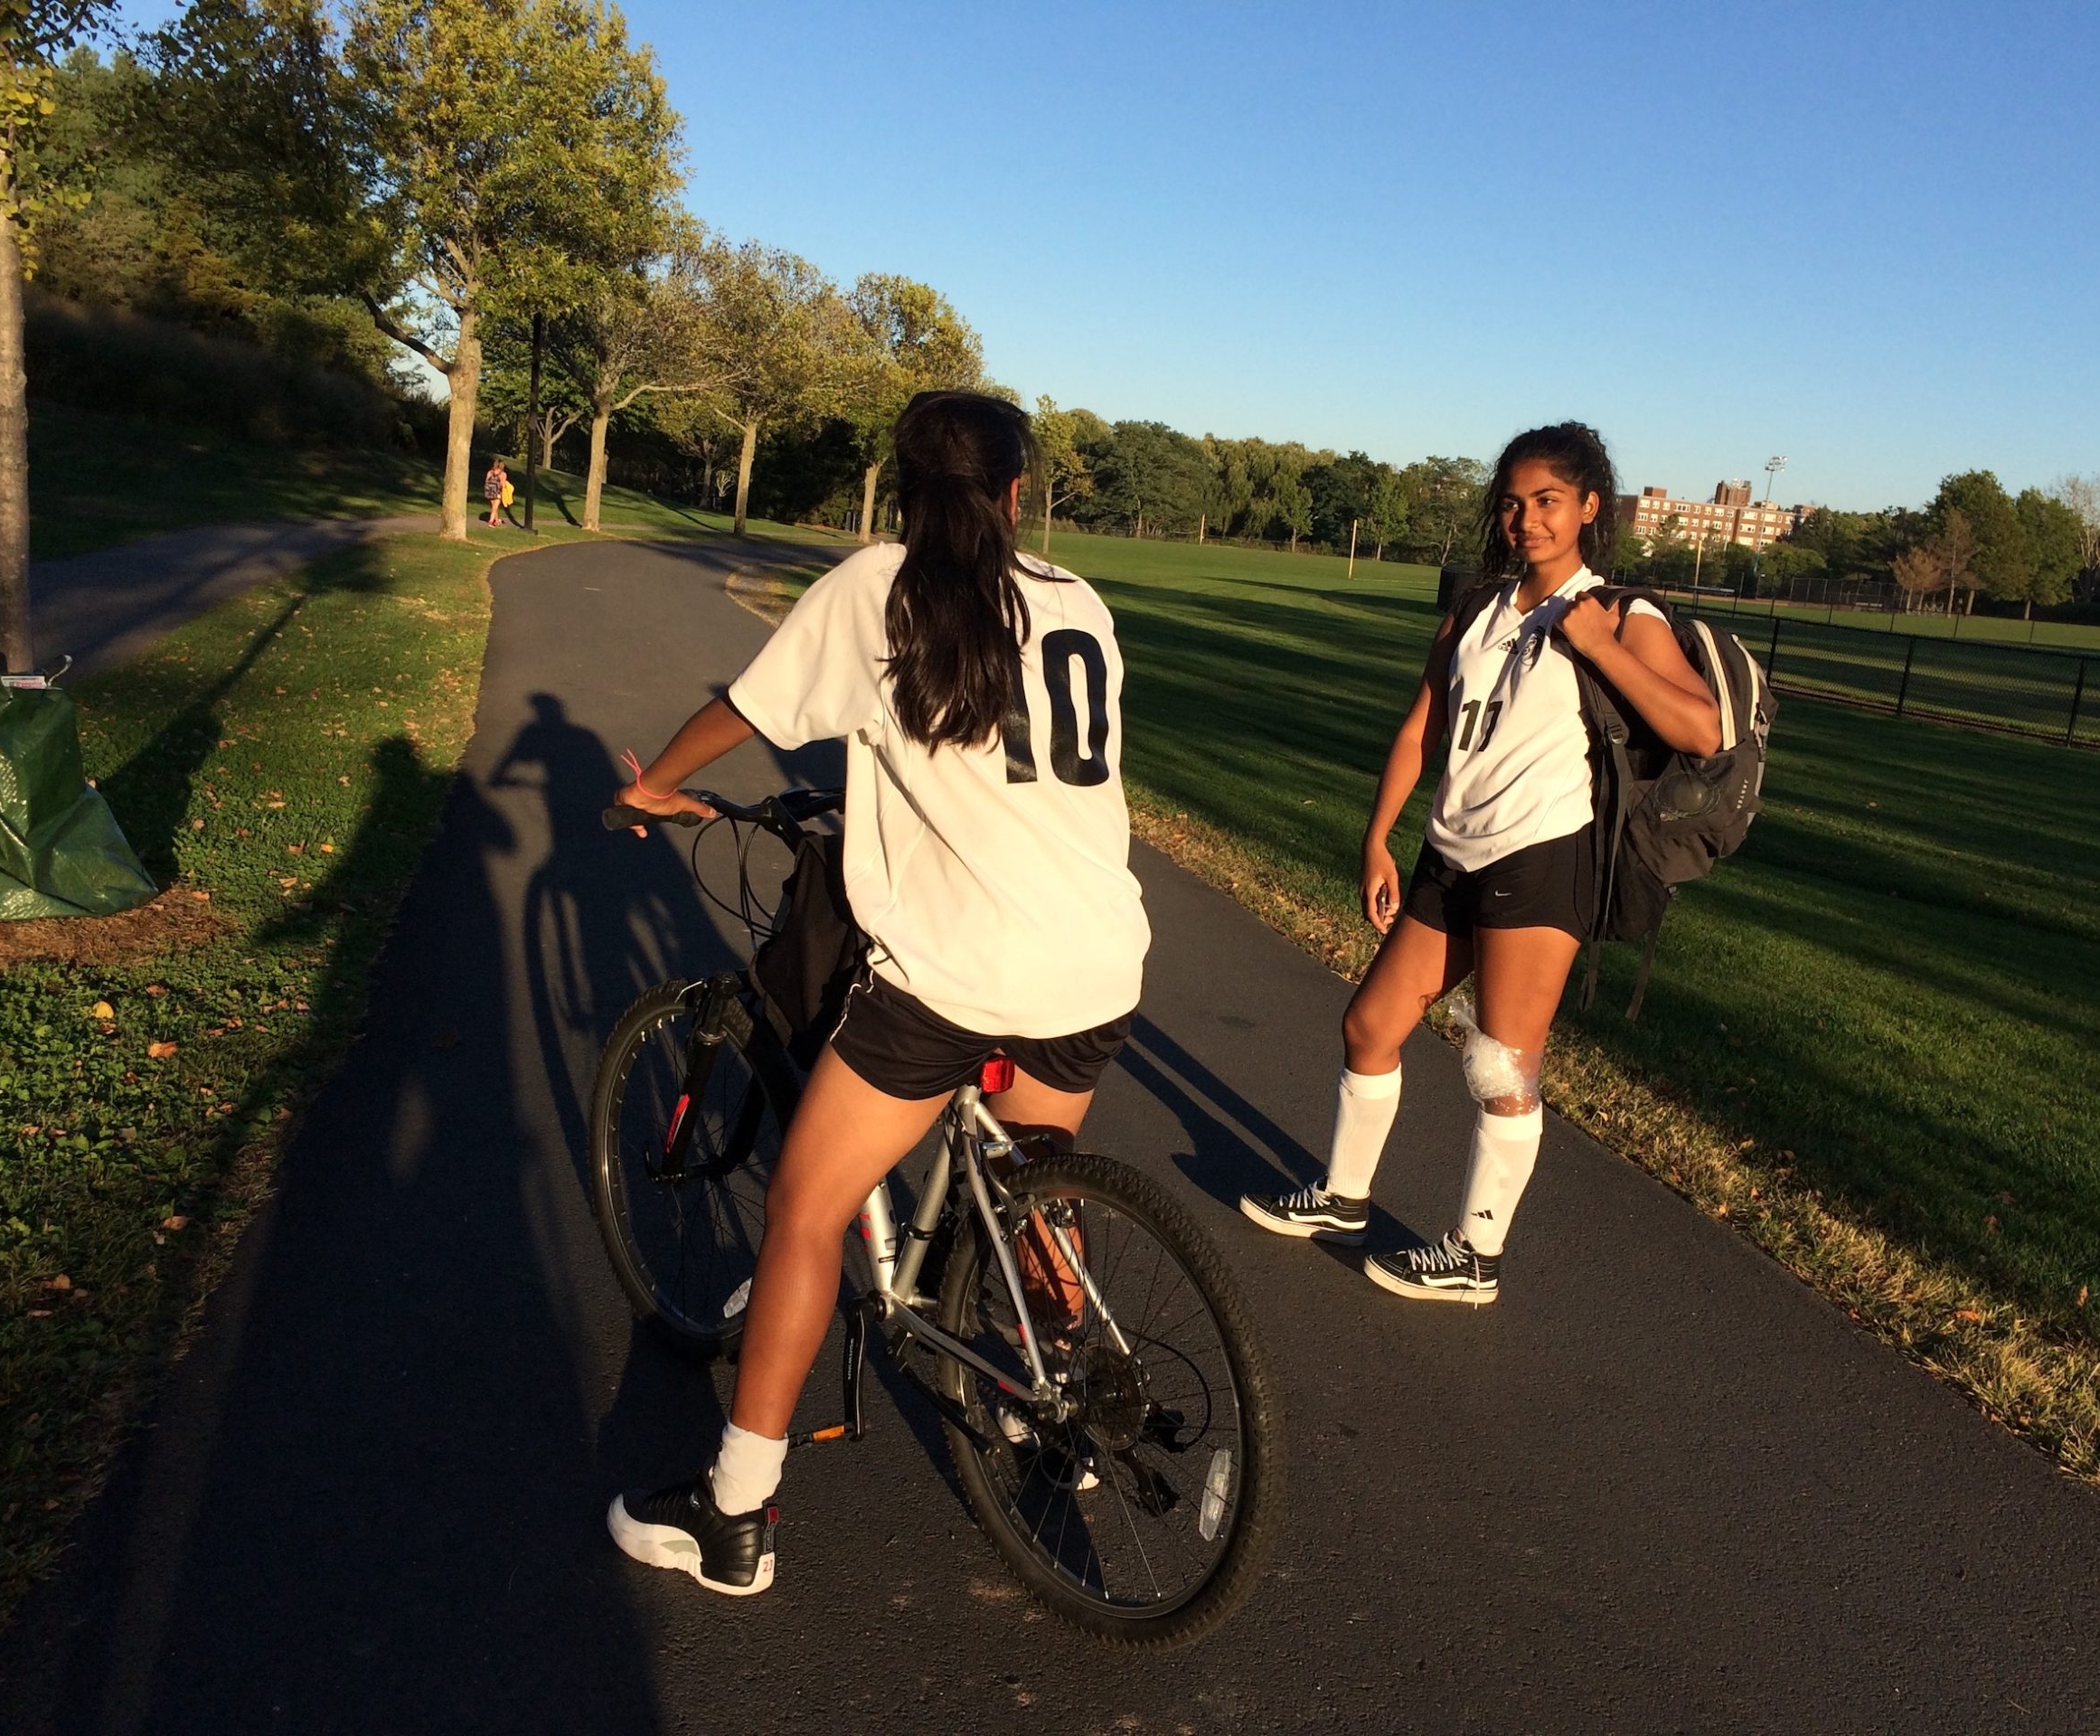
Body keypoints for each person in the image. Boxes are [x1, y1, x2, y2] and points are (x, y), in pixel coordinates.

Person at [603, 391, 1151, 1596]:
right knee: (1030, 1189)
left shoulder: (879, 588)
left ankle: (734, 1513)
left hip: (961, 973)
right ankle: (1052, 1403)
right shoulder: (1081, 601)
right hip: (1099, 957)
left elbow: (746, 710)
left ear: (904, 486)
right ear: (1018, 491)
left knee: (805, 1209)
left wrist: (653, 790)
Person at [1239, 422, 1719, 1304]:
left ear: (1585, 508)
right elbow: (1421, 725)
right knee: (1370, 1025)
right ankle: (1343, 1198)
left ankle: (1474, 1257)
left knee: (1499, 1066)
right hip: (1449, 849)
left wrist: (1602, 646)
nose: (1525, 519)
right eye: (1510, 502)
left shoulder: (1620, 612)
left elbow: (1698, 728)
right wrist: (1379, 834)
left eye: (1545, 501)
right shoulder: (1475, 608)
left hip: (1543, 857)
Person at [483, 456, 508, 527]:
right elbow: (502, 485)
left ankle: (497, 521)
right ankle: (490, 522)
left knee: (494, 507)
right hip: (497, 492)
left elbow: (486, 481)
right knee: (494, 508)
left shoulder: (490, 472)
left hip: (489, 491)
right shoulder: (503, 474)